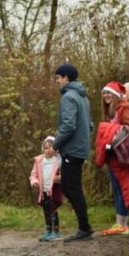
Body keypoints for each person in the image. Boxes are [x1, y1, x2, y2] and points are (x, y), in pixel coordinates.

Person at [53, 63, 94, 242]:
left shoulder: (68, 97)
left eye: (58, 77)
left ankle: (85, 228)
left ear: (66, 78)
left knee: (71, 188)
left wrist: (56, 144)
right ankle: (85, 227)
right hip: (80, 148)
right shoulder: (83, 97)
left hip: (72, 150)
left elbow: (68, 126)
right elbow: (89, 125)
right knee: (69, 187)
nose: (57, 81)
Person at [98, 81, 129, 235]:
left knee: (125, 188)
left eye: (108, 93)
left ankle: (123, 223)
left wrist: (111, 134)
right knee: (117, 189)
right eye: (104, 93)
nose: (105, 96)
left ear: (116, 94)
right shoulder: (110, 111)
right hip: (112, 156)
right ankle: (120, 223)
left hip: (121, 157)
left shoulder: (124, 108)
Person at [29, 136, 63, 241]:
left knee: (53, 210)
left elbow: (65, 173)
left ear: (56, 148)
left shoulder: (58, 160)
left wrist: (61, 178)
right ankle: (48, 231)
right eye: (46, 148)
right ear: (43, 149)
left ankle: (56, 232)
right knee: (46, 211)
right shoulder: (39, 160)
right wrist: (34, 181)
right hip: (43, 191)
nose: (49, 150)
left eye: (52, 147)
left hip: (54, 190)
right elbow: (33, 174)